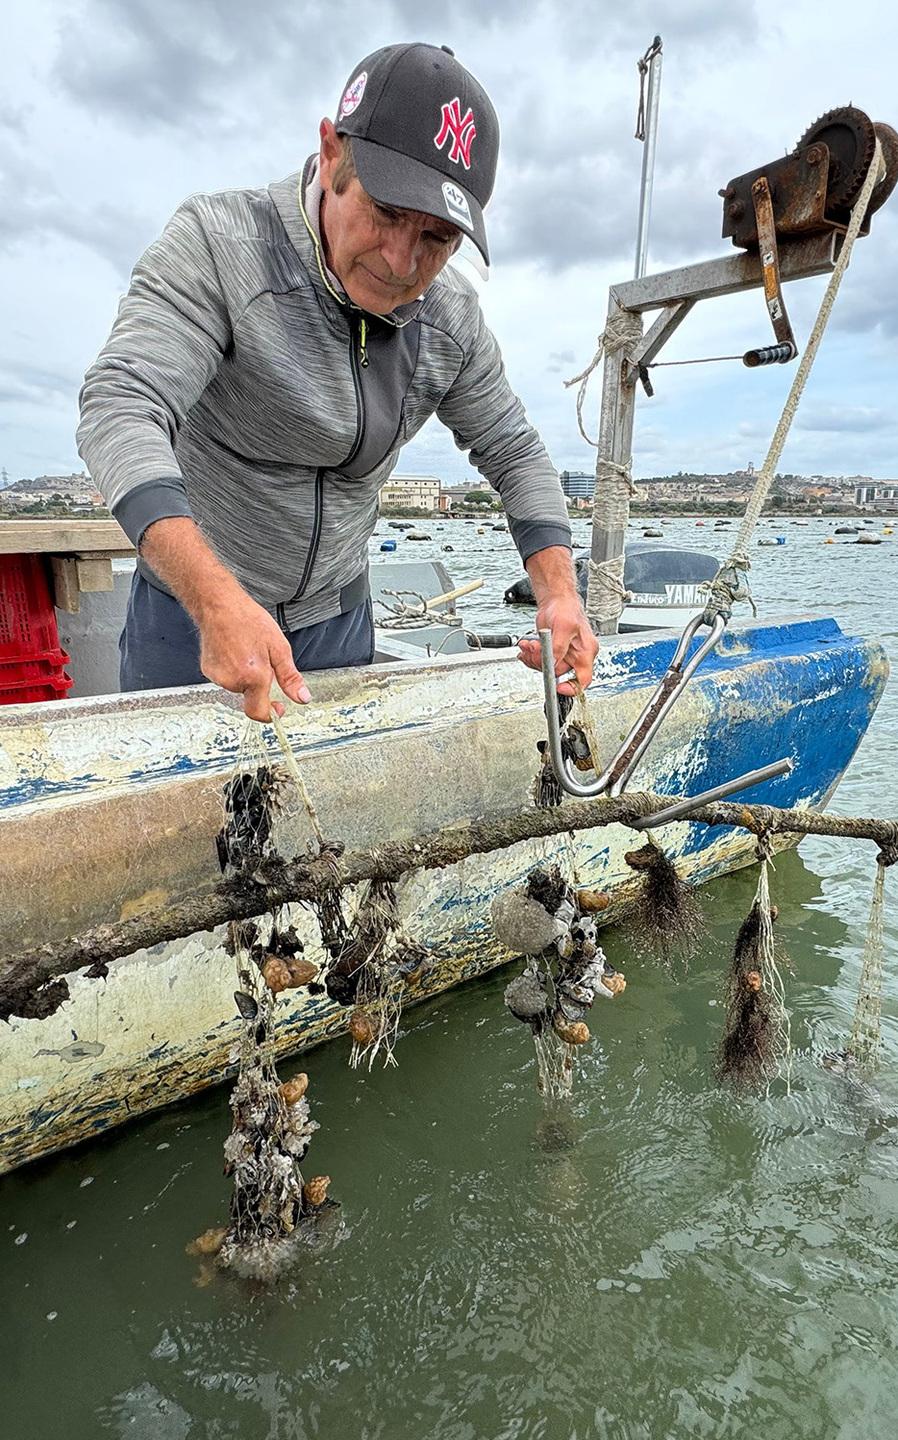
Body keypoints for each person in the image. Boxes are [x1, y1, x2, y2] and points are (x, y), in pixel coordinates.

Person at [78, 41, 597, 720]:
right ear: (331, 153)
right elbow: (122, 402)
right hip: (195, 615)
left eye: (438, 238)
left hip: (338, 623)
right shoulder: (218, 245)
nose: (403, 262)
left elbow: (513, 449)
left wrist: (559, 591)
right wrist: (214, 598)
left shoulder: (450, 320)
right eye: (386, 213)